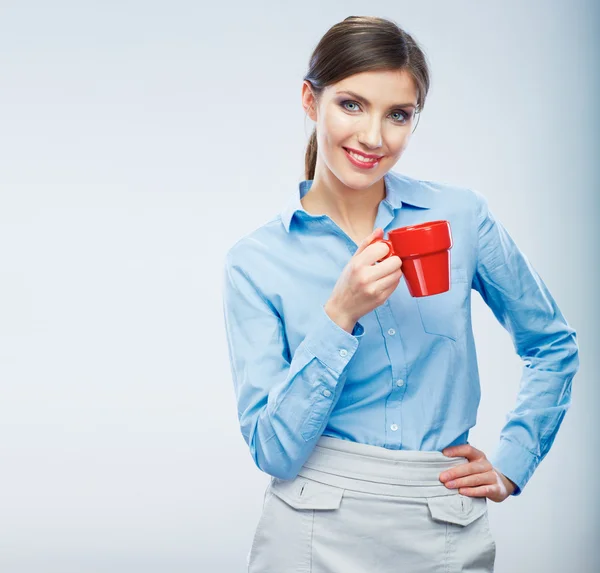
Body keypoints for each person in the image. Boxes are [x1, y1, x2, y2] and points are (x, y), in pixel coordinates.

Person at [221, 15, 579, 573]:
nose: (373, 138)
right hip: (311, 525)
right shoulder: (257, 260)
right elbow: (273, 451)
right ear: (310, 102)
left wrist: (513, 461)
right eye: (352, 105)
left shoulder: (461, 217)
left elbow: (552, 345)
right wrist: (339, 315)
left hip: (443, 518)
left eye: (398, 115)